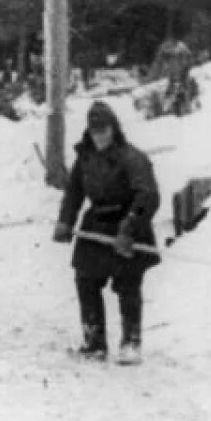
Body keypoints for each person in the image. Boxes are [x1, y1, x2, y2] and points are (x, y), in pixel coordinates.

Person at [52, 101, 160, 364]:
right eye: (94, 131)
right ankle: (94, 341)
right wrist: (65, 221)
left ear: (114, 129)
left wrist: (130, 227)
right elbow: (74, 191)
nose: (99, 136)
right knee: (86, 279)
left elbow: (148, 195)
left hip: (127, 226)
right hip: (97, 225)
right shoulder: (86, 158)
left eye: (104, 130)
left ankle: (131, 343)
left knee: (128, 285)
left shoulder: (132, 158)